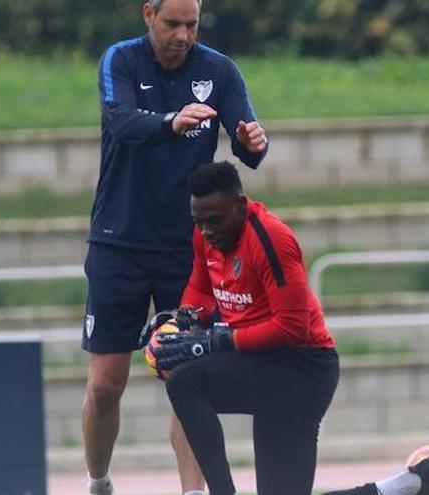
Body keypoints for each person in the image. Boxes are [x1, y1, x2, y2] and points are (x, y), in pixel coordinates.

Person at [80, 0, 268, 492]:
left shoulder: (218, 70)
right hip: (118, 244)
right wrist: (172, 122)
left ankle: (192, 491)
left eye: (192, 24)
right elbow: (122, 124)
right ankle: (98, 481)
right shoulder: (120, 61)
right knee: (105, 386)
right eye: (172, 23)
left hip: (188, 250)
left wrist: (252, 141)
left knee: (189, 380)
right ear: (148, 15)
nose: (182, 34)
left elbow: (251, 150)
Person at [146, 161, 338, 495]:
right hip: (263, 363)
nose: (206, 231)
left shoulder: (272, 239)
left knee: (186, 383)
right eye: (199, 221)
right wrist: (181, 322)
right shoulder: (206, 233)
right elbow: (202, 289)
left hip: (303, 368)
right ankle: (406, 486)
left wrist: (214, 343)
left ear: (240, 204)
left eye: (215, 220)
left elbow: (291, 327)